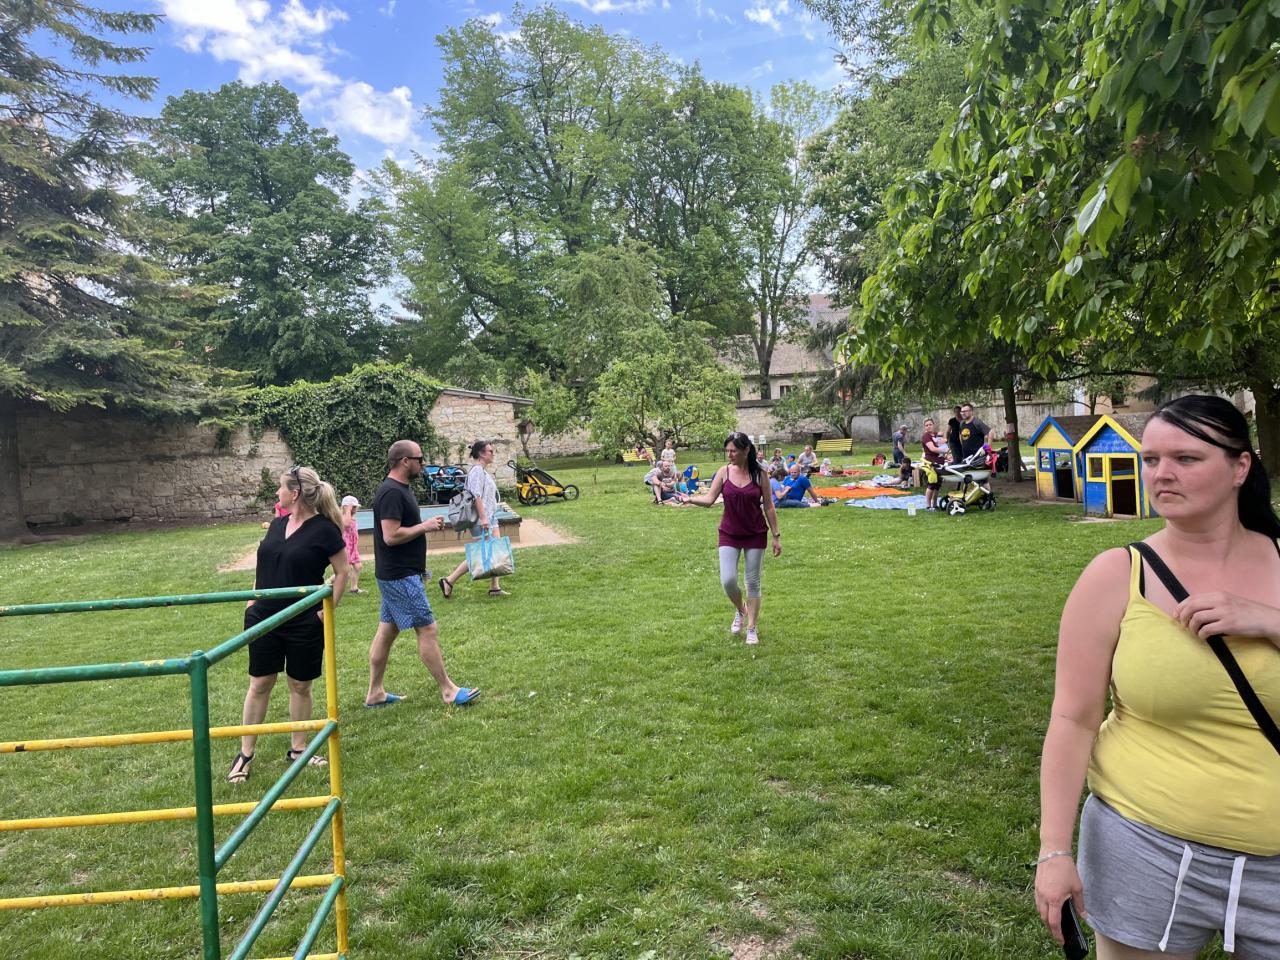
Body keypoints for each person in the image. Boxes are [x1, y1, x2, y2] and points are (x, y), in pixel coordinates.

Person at [1035, 395, 1280, 959]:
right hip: (1143, 848)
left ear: (1240, 467)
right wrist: (1054, 851)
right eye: (1150, 459)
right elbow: (1073, 719)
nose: (1160, 474)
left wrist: (1269, 621)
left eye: (1186, 459)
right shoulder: (1115, 575)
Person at [227, 466, 348, 785]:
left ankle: (298, 749)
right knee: (260, 683)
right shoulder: (277, 524)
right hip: (264, 617)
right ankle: (245, 753)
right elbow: (265, 565)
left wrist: (326, 612)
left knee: (300, 685)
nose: (276, 493)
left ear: (294, 493)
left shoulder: (325, 530)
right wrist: (252, 600)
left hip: (303, 621)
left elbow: (343, 572)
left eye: (280, 487)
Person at [365, 439, 479, 709]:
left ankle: (375, 693)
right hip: (399, 575)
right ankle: (448, 690)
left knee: (387, 632)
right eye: (419, 459)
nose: (423, 463)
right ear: (405, 461)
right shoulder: (391, 492)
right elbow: (391, 536)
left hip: (397, 574)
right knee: (427, 628)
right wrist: (424, 526)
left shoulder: (400, 489)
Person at [687, 432, 781, 646]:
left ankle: (752, 627)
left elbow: (769, 506)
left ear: (746, 450)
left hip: (755, 533)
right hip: (729, 532)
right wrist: (690, 499)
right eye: (727, 451)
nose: (729, 455)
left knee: (752, 582)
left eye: (733, 451)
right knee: (728, 581)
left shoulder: (760, 474)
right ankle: (741, 609)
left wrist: (776, 536)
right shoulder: (724, 472)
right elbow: (710, 499)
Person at [441, 440, 510, 596]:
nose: (493, 454)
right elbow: (476, 496)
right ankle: (449, 580)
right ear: (481, 454)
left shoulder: (482, 470)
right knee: (481, 551)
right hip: (481, 518)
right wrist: (484, 518)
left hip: (490, 517)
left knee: (494, 550)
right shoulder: (477, 471)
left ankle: (495, 587)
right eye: (490, 451)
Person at [920, 417, 947, 511]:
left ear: (933, 425)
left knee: (938, 484)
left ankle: (934, 504)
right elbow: (932, 449)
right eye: (926, 425)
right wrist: (945, 451)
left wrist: (946, 453)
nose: (929, 426)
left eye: (930, 424)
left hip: (940, 463)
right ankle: (928, 505)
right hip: (930, 463)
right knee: (931, 484)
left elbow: (944, 443)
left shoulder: (937, 435)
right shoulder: (925, 436)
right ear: (924, 427)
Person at [339, 495, 365, 593]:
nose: (354, 509)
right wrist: (348, 510)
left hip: (352, 547)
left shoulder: (351, 517)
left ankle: (354, 588)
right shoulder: (343, 517)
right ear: (346, 507)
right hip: (346, 547)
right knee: (345, 569)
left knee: (358, 566)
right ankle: (327, 583)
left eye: (355, 507)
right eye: (353, 507)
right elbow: (347, 524)